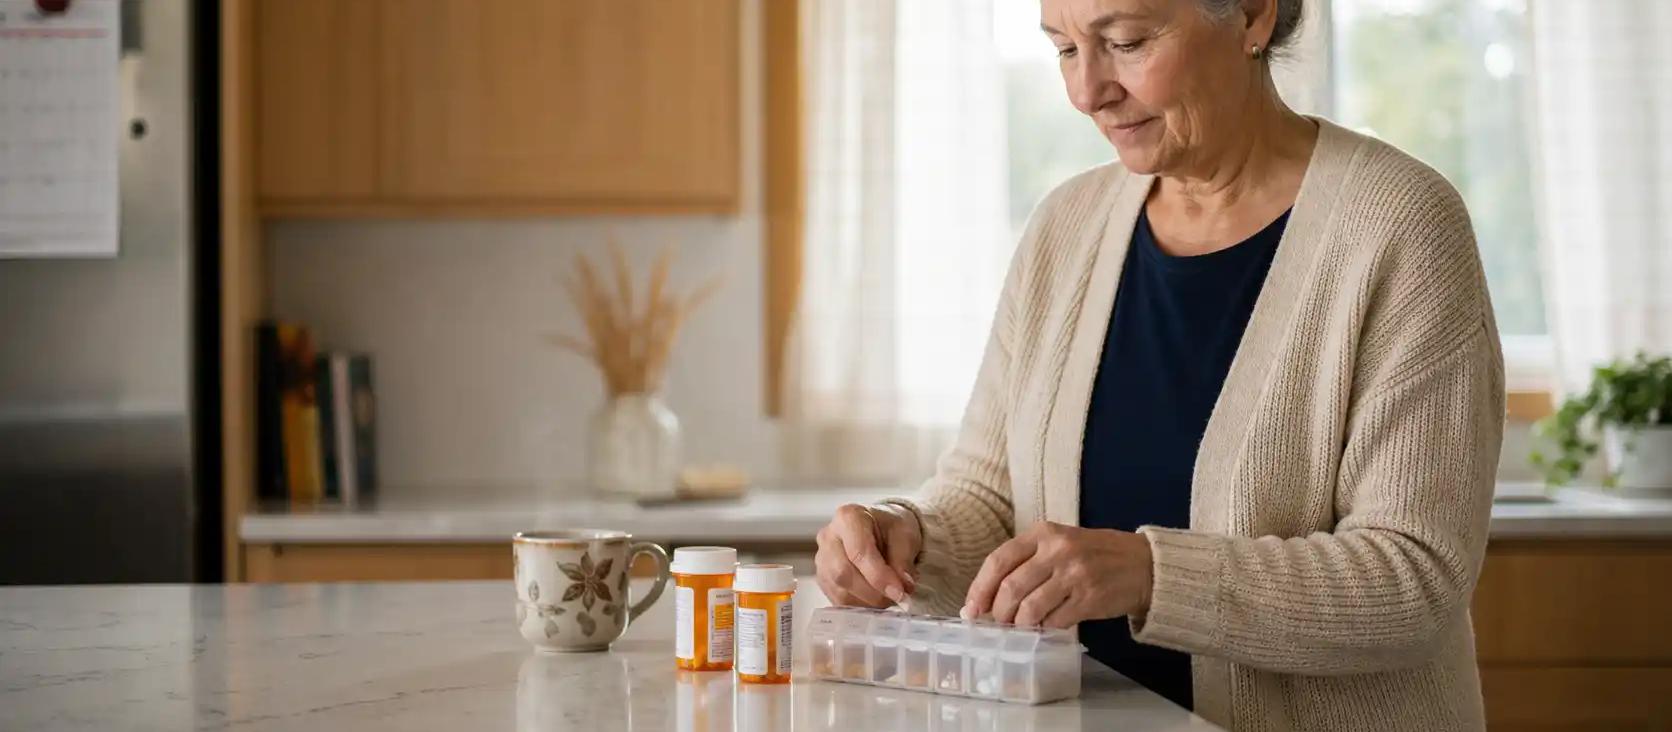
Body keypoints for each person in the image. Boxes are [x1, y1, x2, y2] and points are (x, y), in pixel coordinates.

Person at [812, 0, 1505, 729]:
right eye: (1065, 50)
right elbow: (992, 498)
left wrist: (1151, 576)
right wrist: (908, 539)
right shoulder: (1065, 227)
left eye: (1126, 41)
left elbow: (1414, 580)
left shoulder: (1400, 225)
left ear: (1252, 17)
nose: (1087, 93)